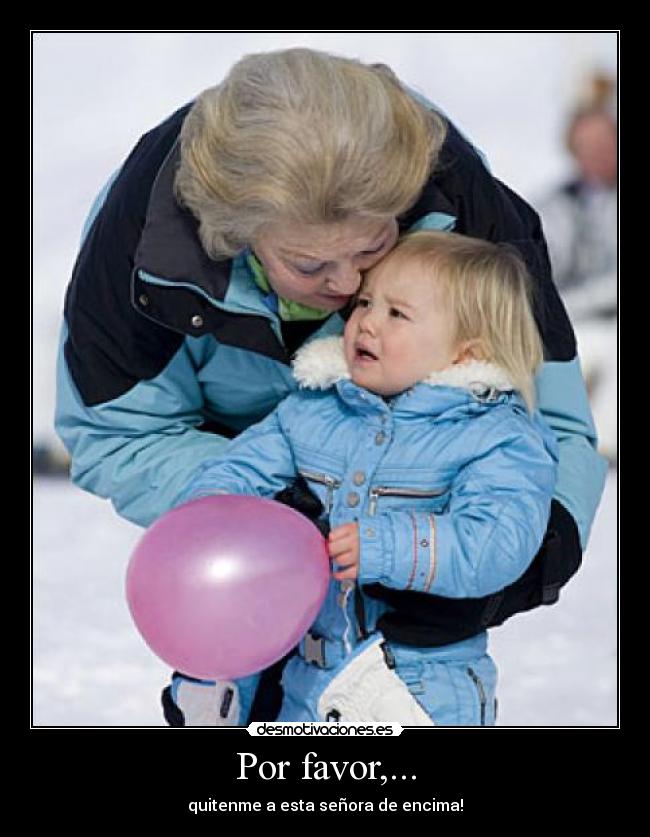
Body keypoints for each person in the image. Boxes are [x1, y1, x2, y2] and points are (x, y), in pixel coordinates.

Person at [54, 47, 607, 726]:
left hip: (405, 545)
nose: (347, 287)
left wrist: (526, 553)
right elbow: (118, 435)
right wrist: (273, 517)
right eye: (310, 261)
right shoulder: (139, 243)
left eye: (374, 249)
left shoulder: (468, 210)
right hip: (251, 523)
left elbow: (548, 423)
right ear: (238, 236)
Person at [173, 230, 558, 725]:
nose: (366, 324)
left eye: (396, 314)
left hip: (417, 685)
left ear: (464, 353)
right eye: (364, 303)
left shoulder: (497, 437)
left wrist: (387, 547)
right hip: (308, 676)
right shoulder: (312, 409)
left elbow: (496, 542)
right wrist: (207, 517)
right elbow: (240, 471)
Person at [538, 75, 617, 462]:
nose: (599, 154)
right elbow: (545, 268)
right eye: (588, 145)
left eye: (607, 143)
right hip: (576, 317)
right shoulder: (556, 206)